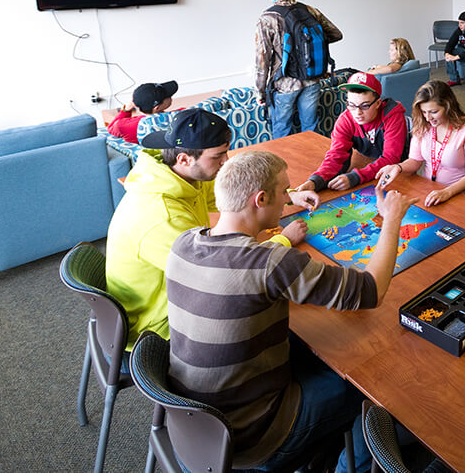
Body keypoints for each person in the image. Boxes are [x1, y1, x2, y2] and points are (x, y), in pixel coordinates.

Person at [166, 149, 418, 472]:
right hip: (253, 438)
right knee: (368, 384)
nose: (288, 200)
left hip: (195, 427)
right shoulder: (270, 263)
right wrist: (393, 220)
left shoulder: (184, 243)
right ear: (260, 200)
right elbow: (371, 291)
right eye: (285, 191)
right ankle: (346, 465)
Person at [105, 109, 319, 349]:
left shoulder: (178, 176)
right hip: (159, 330)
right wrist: (283, 240)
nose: (226, 161)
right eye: (218, 155)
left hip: (178, 294)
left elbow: (235, 195)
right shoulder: (162, 217)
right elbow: (225, 278)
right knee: (300, 330)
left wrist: (288, 195)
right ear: (185, 159)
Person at [254, 0, 344, 139]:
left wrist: (260, 92)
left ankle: (284, 166)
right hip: (312, 78)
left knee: (282, 131)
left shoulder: (267, 18)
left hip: (284, 84)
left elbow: (262, 60)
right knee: (311, 130)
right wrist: (309, 46)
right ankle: (314, 164)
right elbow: (336, 34)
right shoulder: (309, 10)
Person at [375, 81, 465, 207]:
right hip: (428, 192)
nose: (428, 118)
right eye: (424, 112)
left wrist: (446, 192)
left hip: (457, 196)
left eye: (433, 112)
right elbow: (415, 160)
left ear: (448, 106)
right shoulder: (423, 124)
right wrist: (398, 167)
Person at [296, 72, 408, 192]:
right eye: (352, 105)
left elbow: (391, 158)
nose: (357, 113)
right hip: (369, 163)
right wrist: (315, 181)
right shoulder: (345, 120)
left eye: (364, 106)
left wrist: (356, 177)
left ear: (378, 103)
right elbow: (336, 157)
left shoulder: (392, 115)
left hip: (401, 170)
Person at [106, 79, 178, 144]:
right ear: (157, 107)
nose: (171, 97)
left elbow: (110, 128)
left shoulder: (125, 126)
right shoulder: (177, 116)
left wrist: (125, 110)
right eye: (169, 96)